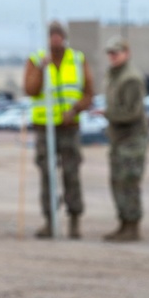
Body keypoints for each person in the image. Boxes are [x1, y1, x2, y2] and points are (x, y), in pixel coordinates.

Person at [24, 20, 94, 239]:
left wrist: (75, 109)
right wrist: (40, 69)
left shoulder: (78, 59)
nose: (56, 39)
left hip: (69, 127)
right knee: (47, 175)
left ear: (64, 37)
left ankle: (74, 220)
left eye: (59, 35)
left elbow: (88, 93)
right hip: (45, 129)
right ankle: (49, 220)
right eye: (52, 35)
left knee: (72, 174)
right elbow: (30, 90)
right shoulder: (36, 60)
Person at [101, 35, 149, 242]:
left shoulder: (130, 78)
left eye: (116, 53)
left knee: (129, 182)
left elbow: (132, 113)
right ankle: (123, 223)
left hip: (132, 139)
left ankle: (132, 225)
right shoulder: (114, 75)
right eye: (110, 53)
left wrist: (107, 114)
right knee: (117, 182)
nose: (112, 57)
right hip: (119, 138)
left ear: (126, 54)